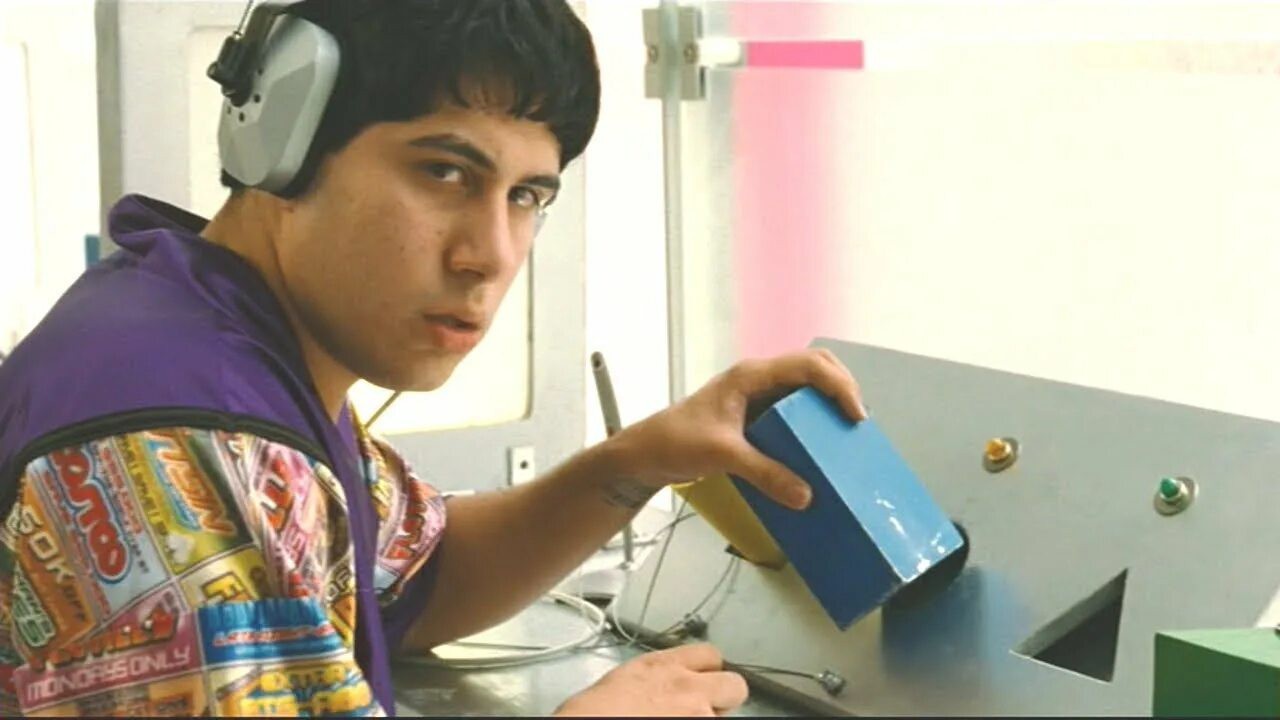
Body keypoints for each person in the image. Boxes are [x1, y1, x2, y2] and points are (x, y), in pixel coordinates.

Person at [0, 0, 865, 715]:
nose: (490, 254)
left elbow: (417, 575)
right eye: (446, 173)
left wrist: (637, 461)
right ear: (280, 148)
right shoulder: (187, 435)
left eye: (526, 195)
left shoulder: (221, 333)